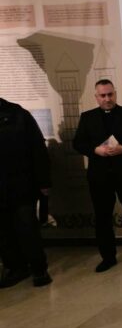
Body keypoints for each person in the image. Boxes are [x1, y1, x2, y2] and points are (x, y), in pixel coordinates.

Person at [73, 80, 122, 272]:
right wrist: (95, 150)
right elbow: (78, 143)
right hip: (99, 176)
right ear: (96, 97)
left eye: (110, 94)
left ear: (115, 94)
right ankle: (108, 257)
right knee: (102, 218)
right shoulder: (87, 117)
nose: (107, 99)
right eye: (103, 95)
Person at [0, 98, 52, 287]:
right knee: (3, 232)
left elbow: (37, 148)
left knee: (27, 227)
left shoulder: (18, 114)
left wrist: (44, 182)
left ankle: (39, 269)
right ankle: (16, 268)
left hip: (21, 184)